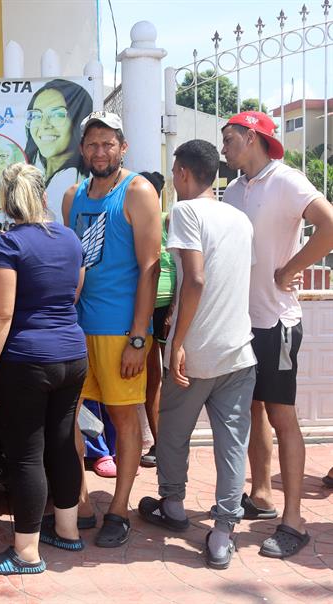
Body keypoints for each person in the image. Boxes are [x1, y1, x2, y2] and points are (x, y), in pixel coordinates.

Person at [136, 139, 257, 570]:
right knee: (231, 443)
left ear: (184, 173)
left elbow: (196, 279)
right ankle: (223, 530)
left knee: (172, 431)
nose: (172, 179)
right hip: (240, 351)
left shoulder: (185, 212)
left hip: (198, 352)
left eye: (174, 172)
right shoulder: (239, 218)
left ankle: (172, 506)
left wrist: (178, 344)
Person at [221, 110, 333, 559]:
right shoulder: (232, 189)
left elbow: (329, 224)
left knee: (282, 415)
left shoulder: (286, 181)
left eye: (229, 138)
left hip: (276, 323)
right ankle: (262, 496)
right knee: (252, 409)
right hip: (240, 321)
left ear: (251, 137)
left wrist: (292, 268)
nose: (224, 146)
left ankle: (293, 522)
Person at [0, 163, 87, 575]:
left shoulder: (9, 244)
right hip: (72, 356)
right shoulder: (70, 238)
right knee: (61, 444)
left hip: (26, 360)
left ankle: (25, 552)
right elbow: (72, 293)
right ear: (42, 195)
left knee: (26, 455)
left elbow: (1, 314)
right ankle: (68, 531)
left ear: (7, 200)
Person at [62, 112, 161, 548]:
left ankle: (119, 509)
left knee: (123, 419)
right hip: (76, 330)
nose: (99, 152)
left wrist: (139, 337)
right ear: (82, 149)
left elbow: (150, 268)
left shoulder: (138, 191)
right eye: (92, 144)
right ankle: (80, 503)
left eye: (108, 143)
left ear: (123, 148)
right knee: (70, 420)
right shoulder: (71, 196)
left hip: (122, 330)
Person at [140, 170, 174, 468]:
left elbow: (183, 265)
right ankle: (159, 444)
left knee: (176, 377)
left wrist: (175, 306)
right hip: (144, 307)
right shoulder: (133, 220)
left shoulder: (168, 220)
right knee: (152, 379)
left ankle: (173, 444)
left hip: (167, 309)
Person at [24, 79, 92, 196]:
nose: (44, 125)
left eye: (57, 114)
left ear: (76, 121)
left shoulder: (77, 184)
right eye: (36, 115)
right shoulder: (32, 173)